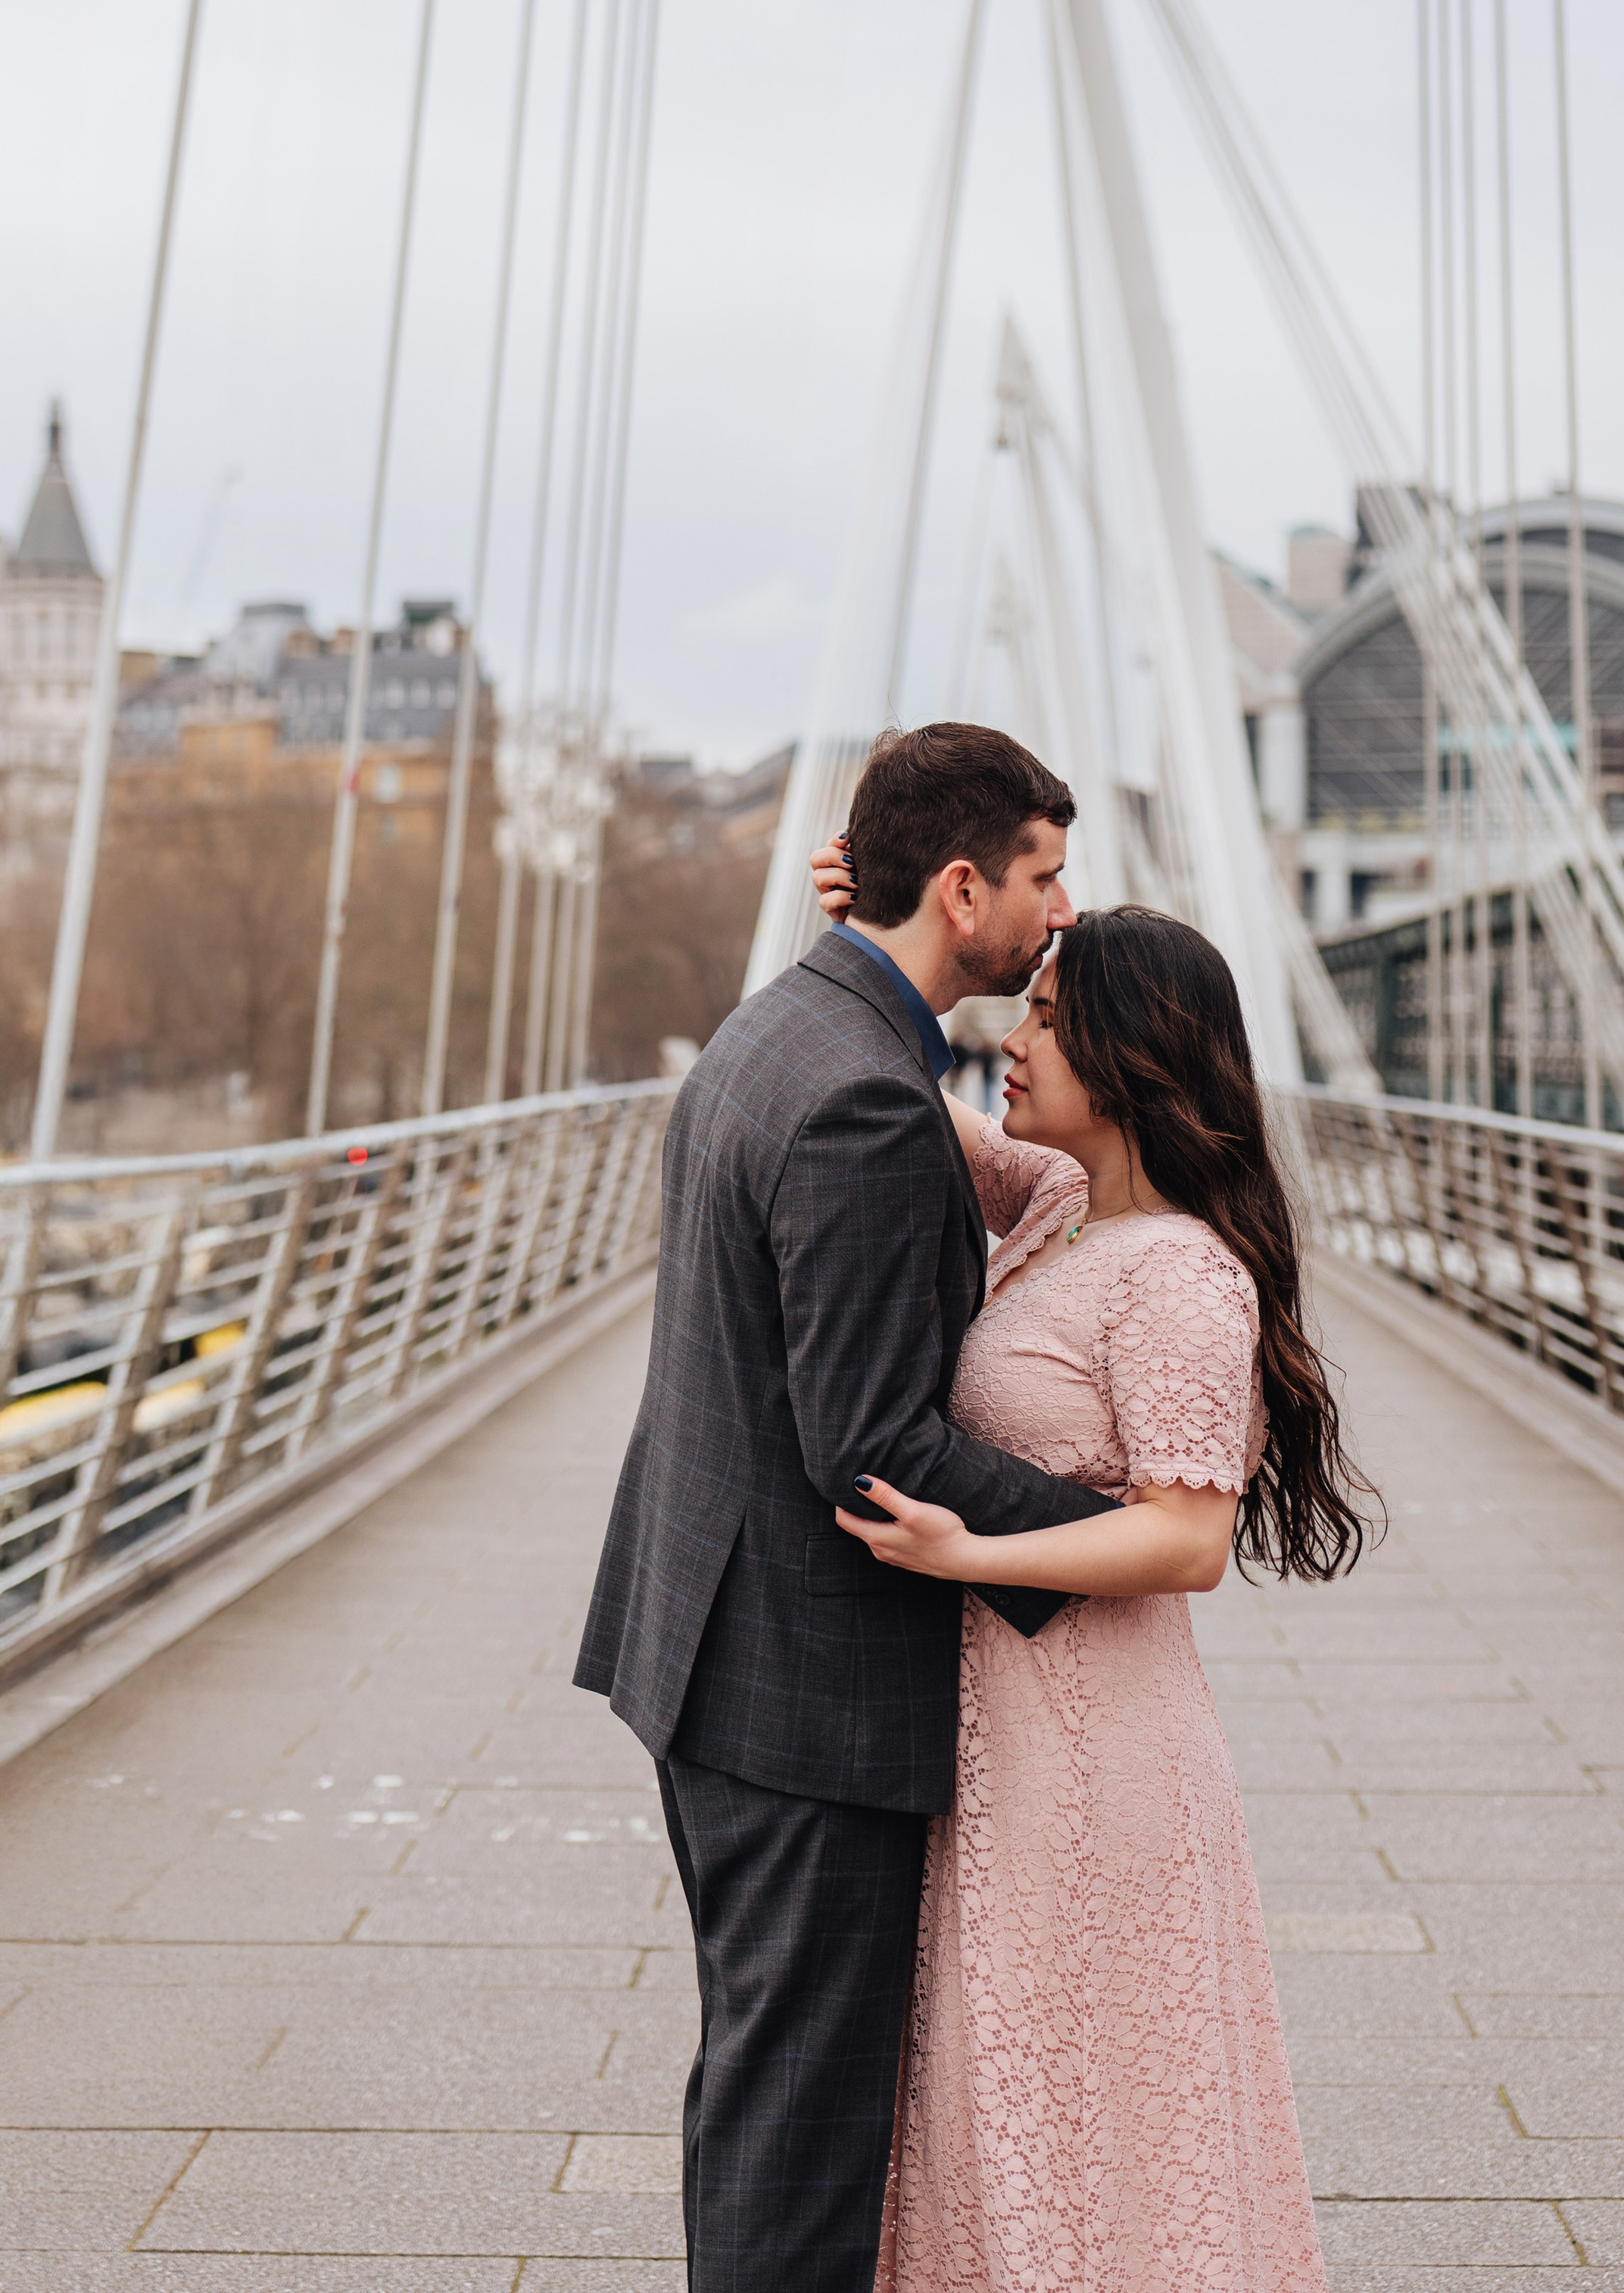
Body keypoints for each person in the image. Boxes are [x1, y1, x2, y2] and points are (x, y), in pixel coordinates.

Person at [572, 723, 1122, 2293]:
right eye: (1042, 874)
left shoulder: (777, 1028)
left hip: (708, 1650)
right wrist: (1103, 1536)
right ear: (962, 888)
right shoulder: (865, 1103)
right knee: (800, 2136)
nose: (1061, 909)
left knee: (759, 2093)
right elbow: (866, 1442)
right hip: (798, 1696)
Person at [809, 850, 1370, 2291]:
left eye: (1047, 1017)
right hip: (1003, 1735)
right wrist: (862, 937)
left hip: (1098, 1751)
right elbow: (909, 1109)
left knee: (1094, 2105)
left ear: (1124, 1055)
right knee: (1004, 2090)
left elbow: (1190, 1535)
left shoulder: (1182, 1274)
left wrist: (969, 1547)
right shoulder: (1061, 1203)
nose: (1016, 1036)